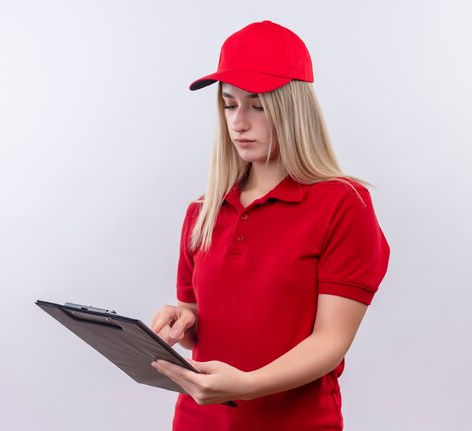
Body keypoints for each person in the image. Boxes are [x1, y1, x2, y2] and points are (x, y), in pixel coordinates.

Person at [150, 20, 390, 431]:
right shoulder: (203, 211)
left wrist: (247, 386)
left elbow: (331, 341)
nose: (239, 122)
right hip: (198, 421)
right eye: (229, 104)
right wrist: (184, 320)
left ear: (293, 108)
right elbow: (199, 312)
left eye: (257, 105)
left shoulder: (342, 204)